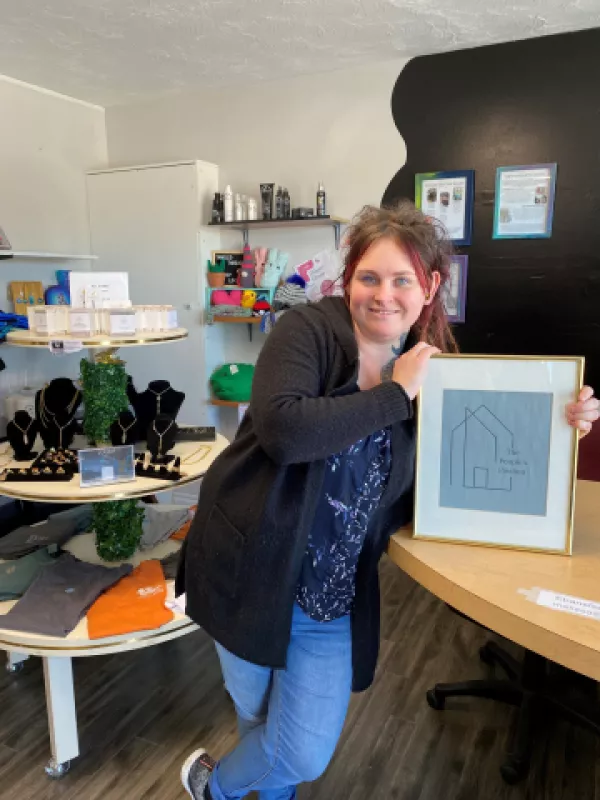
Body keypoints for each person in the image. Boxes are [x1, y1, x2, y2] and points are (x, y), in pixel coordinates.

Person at [177, 202, 599, 800]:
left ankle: (212, 788)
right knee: (259, 720)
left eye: (403, 280)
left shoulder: (435, 373)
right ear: (348, 279)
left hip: (330, 597)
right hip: (248, 568)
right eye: (369, 277)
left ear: (429, 288)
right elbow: (284, 431)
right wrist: (396, 393)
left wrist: (562, 429)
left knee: (300, 748)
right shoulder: (308, 332)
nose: (384, 295)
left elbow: (460, 468)